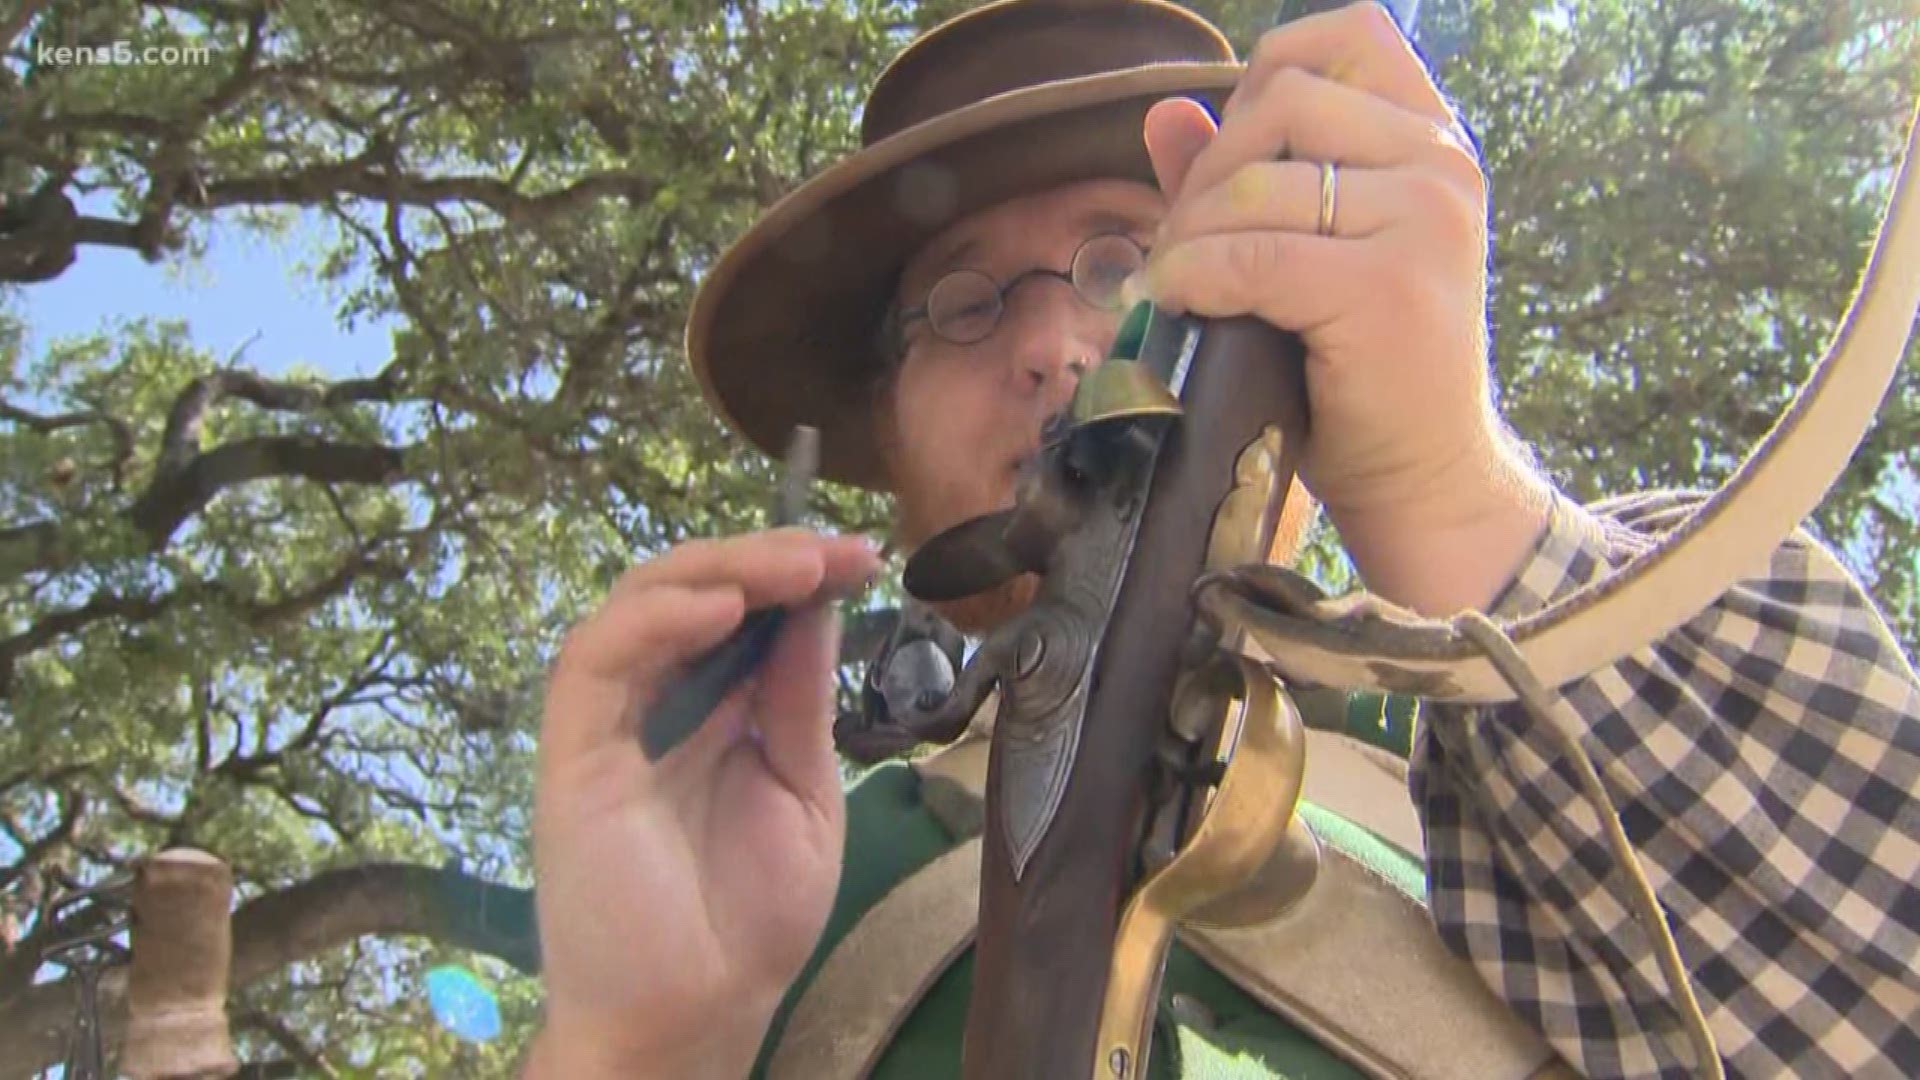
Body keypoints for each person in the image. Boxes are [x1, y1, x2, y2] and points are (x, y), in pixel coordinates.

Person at [520, 2, 1920, 1078]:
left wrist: (1448, 500)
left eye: (1127, 263)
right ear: (885, 443)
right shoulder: (770, 868)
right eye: (959, 303)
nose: (1054, 345)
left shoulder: (1561, 675)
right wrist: (637, 1043)